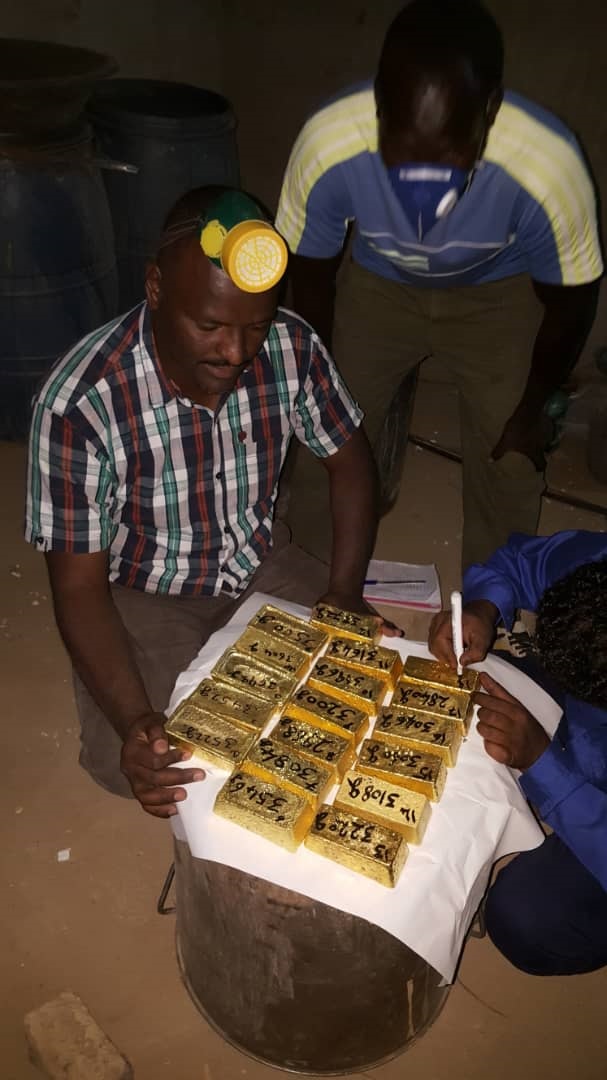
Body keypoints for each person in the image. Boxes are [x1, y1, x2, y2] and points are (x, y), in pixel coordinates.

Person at [25, 185, 394, 821]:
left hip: (260, 561)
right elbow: (78, 588)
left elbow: (350, 460)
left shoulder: (291, 346)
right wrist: (135, 719)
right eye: (210, 326)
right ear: (156, 288)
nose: (236, 352)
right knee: (164, 761)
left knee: (362, 699)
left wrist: (344, 590)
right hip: (147, 589)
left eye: (255, 326)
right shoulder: (79, 404)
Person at [275, 0, 602, 569]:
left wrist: (531, 408)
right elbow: (311, 277)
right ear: (378, 106)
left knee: (511, 450)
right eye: (402, 148)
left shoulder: (547, 166)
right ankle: (308, 573)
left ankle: (494, 594)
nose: (424, 180)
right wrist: (317, 382)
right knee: (322, 428)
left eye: (451, 151)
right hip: (379, 285)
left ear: (490, 110)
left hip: (496, 294)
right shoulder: (329, 146)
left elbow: (572, 303)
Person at [429, 529, 607, 976]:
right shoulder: (596, 567)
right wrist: (482, 609)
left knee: (528, 919)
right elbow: (519, 561)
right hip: (584, 696)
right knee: (464, 688)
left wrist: (544, 767)